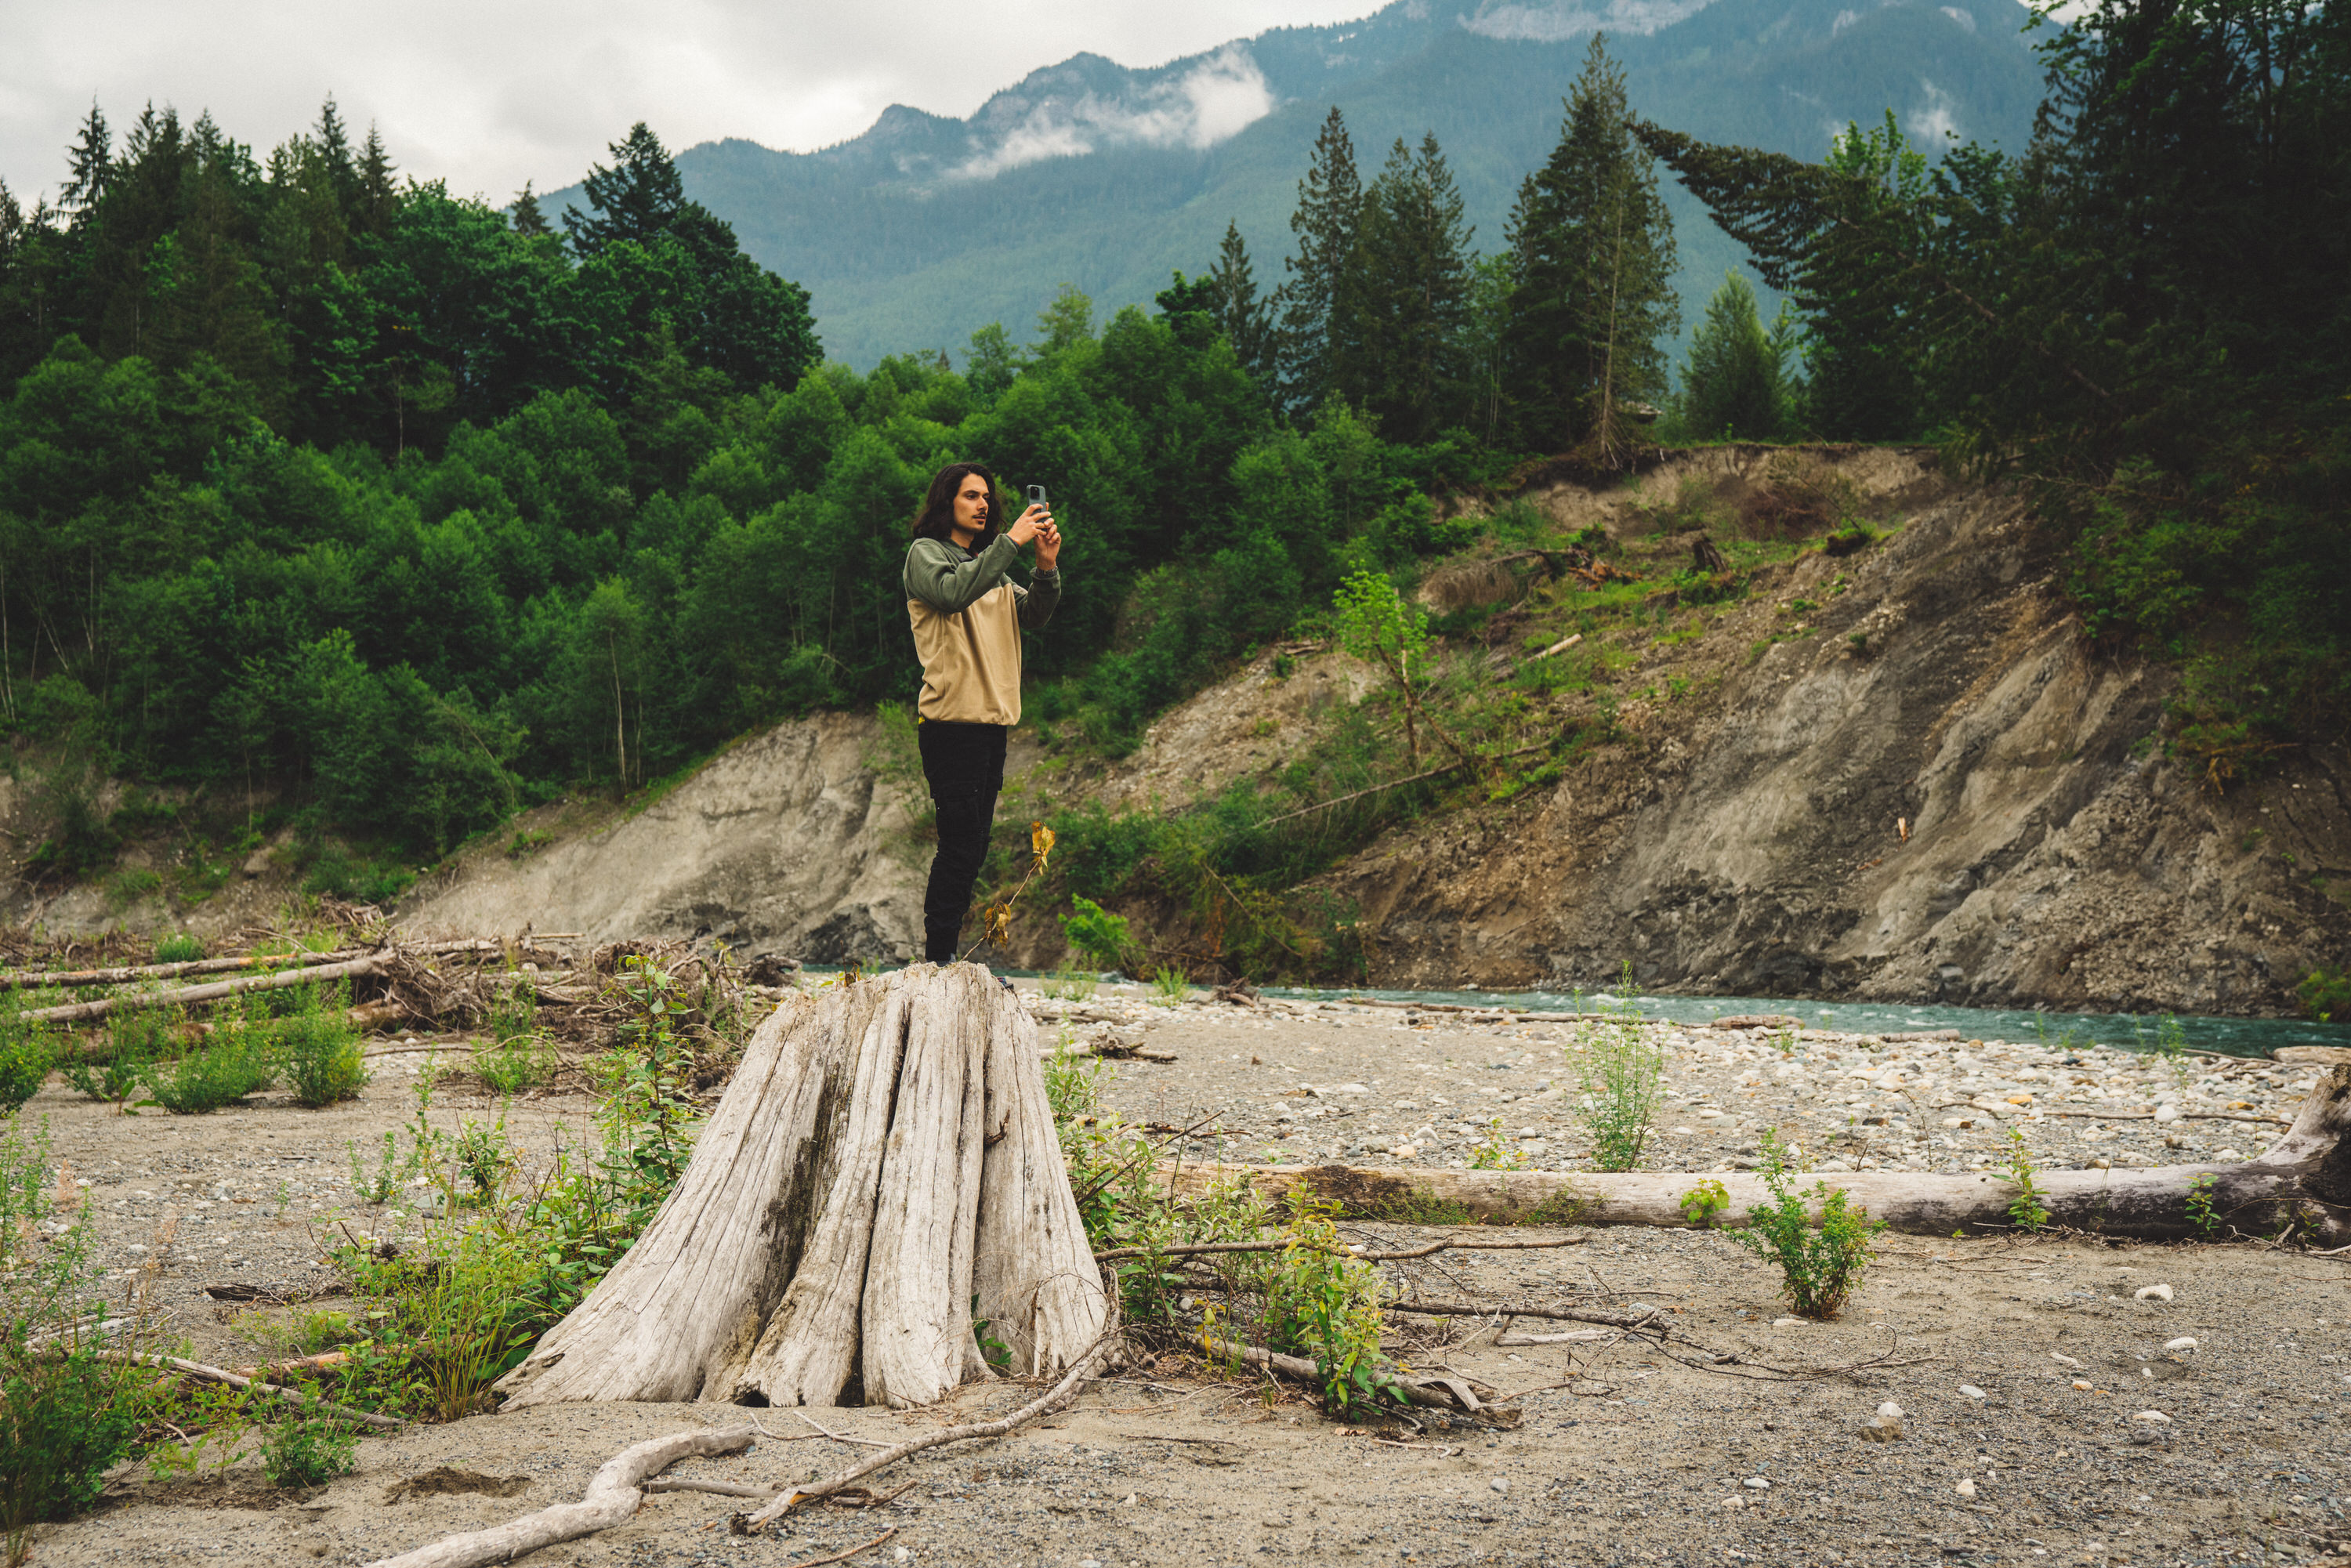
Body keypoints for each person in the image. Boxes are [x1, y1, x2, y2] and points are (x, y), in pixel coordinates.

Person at [902, 462, 1062, 965]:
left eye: (987, 497)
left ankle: (945, 959)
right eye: (971, 495)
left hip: (992, 725)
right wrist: (1010, 543)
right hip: (950, 724)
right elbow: (952, 593)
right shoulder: (926, 555)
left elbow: (1033, 614)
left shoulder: (990, 567)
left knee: (974, 846)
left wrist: (1045, 568)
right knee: (959, 844)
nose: (983, 504)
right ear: (946, 501)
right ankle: (938, 962)